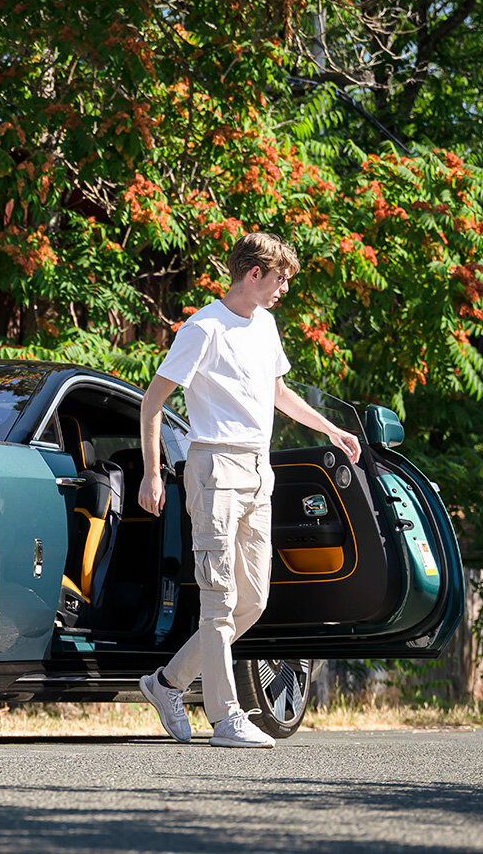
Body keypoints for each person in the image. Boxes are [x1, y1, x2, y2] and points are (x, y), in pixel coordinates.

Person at [135, 232, 361, 748]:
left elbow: (278, 392)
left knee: (252, 602)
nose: (285, 288)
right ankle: (226, 716)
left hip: (260, 472)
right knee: (219, 599)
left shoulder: (267, 326)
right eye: (281, 278)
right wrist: (152, 473)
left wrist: (329, 429)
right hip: (213, 467)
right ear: (254, 273)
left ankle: (166, 683)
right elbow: (152, 402)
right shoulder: (203, 328)